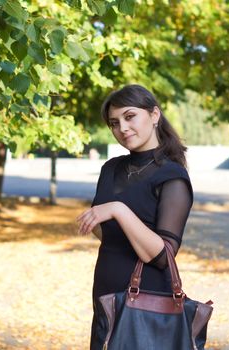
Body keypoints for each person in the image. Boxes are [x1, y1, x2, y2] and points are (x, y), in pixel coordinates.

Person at [75, 84, 194, 349]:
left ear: (154, 115)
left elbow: (163, 256)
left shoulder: (172, 176)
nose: (122, 128)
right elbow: (108, 234)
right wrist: (101, 218)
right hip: (106, 296)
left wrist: (118, 209)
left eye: (130, 117)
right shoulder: (111, 169)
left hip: (147, 303)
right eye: (114, 123)